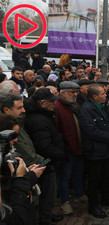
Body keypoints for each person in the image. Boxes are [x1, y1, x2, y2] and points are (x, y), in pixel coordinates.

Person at [24, 88, 65, 225]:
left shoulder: (42, 115)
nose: (54, 104)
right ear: (42, 103)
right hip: (45, 162)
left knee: (49, 193)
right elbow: (44, 146)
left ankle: (47, 214)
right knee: (48, 193)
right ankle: (45, 219)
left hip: (47, 160)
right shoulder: (38, 120)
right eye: (51, 102)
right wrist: (60, 154)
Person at [79, 84, 109, 218]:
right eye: (102, 93)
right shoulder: (86, 110)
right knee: (94, 180)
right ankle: (93, 206)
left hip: (107, 149)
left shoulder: (105, 106)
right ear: (95, 96)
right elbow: (92, 132)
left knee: (106, 176)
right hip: (94, 151)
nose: (105, 95)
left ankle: (106, 199)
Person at [54, 81, 87, 215]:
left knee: (78, 172)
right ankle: (65, 201)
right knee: (65, 176)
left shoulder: (75, 105)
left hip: (78, 146)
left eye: (76, 92)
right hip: (67, 149)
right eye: (71, 92)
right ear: (63, 93)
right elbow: (56, 131)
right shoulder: (57, 108)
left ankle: (79, 194)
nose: (75, 95)